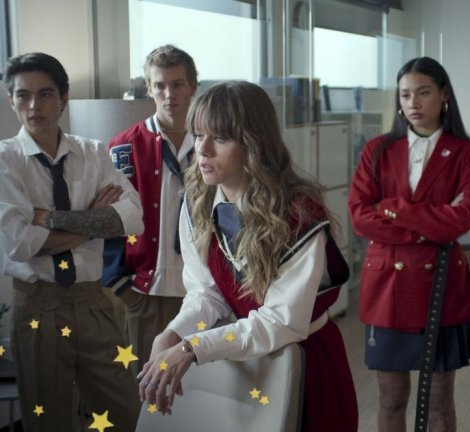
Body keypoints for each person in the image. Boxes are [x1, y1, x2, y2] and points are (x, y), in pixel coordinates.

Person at [136, 81, 358, 431]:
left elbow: (280, 321)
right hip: (240, 358)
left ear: (254, 144)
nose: (203, 150)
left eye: (220, 138)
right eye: (198, 134)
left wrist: (193, 348)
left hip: (303, 360)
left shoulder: (298, 215)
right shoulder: (198, 202)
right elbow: (207, 292)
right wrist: (174, 334)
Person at [0, 53, 143, 431]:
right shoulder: (4, 161)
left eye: (45, 94)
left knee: (128, 415)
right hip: (38, 307)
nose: (34, 106)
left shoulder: (94, 153)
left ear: (63, 98)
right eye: (23, 95)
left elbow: (132, 217)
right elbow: (19, 244)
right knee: (50, 423)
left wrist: (46, 219)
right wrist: (96, 222)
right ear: (10, 99)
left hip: (93, 302)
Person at [348, 56, 470, 432]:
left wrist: (392, 209)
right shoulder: (377, 150)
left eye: (423, 92)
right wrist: (432, 220)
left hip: (440, 285)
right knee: (391, 397)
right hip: (387, 288)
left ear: (443, 95)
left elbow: (462, 220)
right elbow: (360, 216)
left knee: (440, 401)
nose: (413, 103)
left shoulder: (468, 155)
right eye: (405, 94)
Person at [104, 45, 198, 372]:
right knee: (146, 395)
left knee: (203, 394)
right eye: (159, 85)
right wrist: (120, 285)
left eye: (177, 84)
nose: (168, 93)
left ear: (193, 87)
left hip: (203, 292)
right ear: (148, 89)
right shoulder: (123, 147)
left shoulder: (213, 143)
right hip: (146, 290)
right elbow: (109, 220)